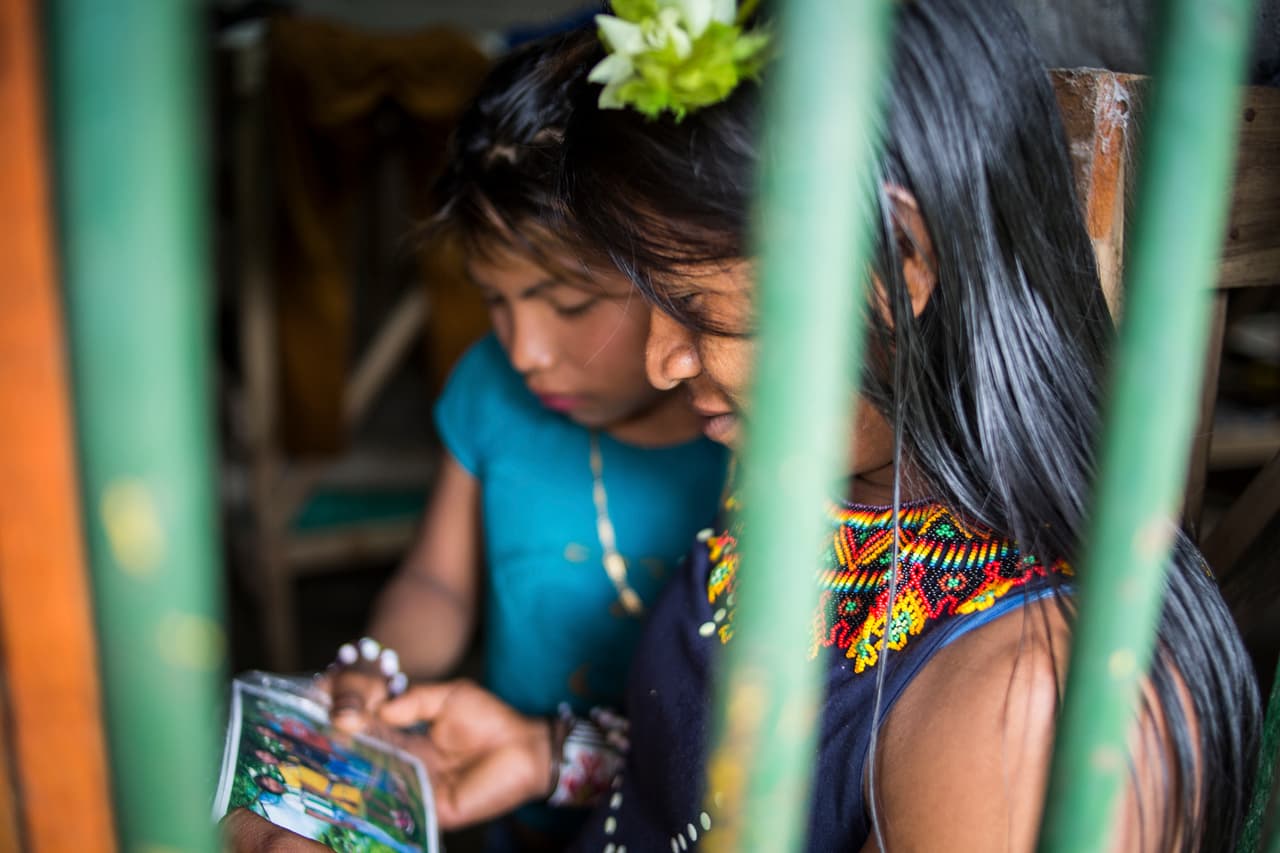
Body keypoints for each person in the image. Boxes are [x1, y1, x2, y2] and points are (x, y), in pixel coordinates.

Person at [231, 1, 1261, 850]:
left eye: (692, 308)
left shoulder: (1018, 705)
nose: (662, 364)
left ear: (893, 262)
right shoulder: (825, 482)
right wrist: (554, 756)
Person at [321, 28, 729, 851]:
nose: (524, 349)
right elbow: (439, 585)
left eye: (569, 305)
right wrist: (376, 665)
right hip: (500, 809)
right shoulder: (492, 389)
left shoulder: (744, 432)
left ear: (671, 270)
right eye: (495, 301)